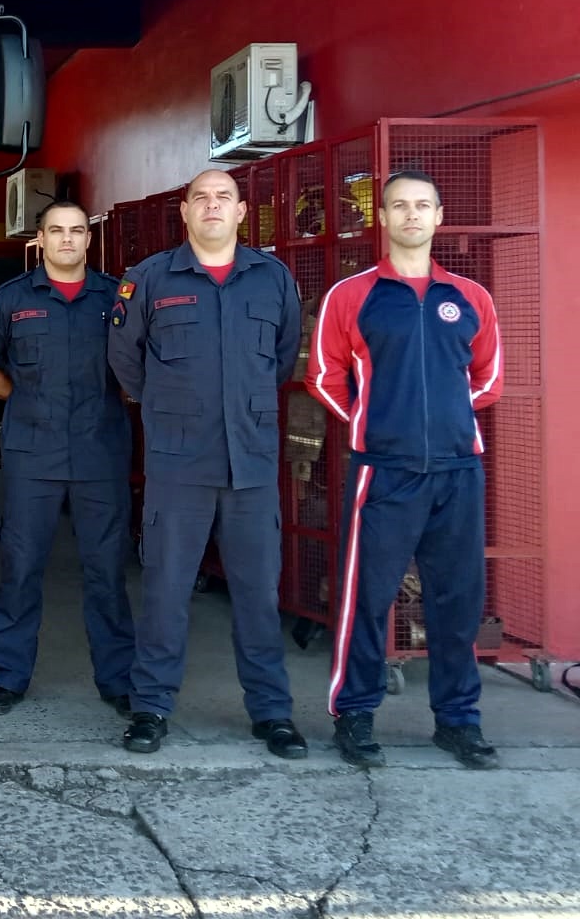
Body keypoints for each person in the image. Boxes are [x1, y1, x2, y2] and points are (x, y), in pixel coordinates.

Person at [307, 169, 503, 769]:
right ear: (383, 219)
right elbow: (324, 375)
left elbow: (488, 378)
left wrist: (445, 423)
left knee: (457, 601)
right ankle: (356, 715)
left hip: (457, 471)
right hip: (383, 472)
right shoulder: (352, 296)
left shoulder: (469, 298)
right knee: (365, 599)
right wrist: (375, 428)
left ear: (439, 218)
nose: (411, 215)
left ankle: (458, 721)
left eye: (422, 206)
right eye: (399, 206)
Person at [107, 169, 307, 758]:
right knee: (165, 591)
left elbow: (281, 361)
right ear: (185, 212)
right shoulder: (149, 280)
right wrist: (174, 410)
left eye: (224, 198)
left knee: (257, 594)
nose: (213, 206)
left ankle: (272, 714)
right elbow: (126, 362)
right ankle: (150, 708)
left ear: (242, 212)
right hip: (178, 465)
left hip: (251, 464)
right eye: (202, 198)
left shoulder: (272, 280)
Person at [0, 201, 137, 718]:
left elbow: (138, 368)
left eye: (76, 231)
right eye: (56, 231)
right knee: (20, 568)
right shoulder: (11, 299)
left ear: (88, 240)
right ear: (39, 240)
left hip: (101, 454)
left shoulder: (116, 298)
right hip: (33, 455)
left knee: (106, 572)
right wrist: (25, 402)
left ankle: (118, 682)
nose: (67, 239)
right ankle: (7, 679)